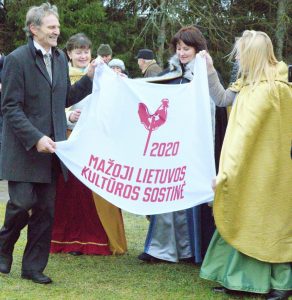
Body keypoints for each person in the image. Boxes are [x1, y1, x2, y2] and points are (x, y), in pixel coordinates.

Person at [0, 3, 95, 284]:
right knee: (21, 203)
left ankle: (32, 268)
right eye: (51, 27)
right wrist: (35, 137)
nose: (57, 31)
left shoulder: (57, 59)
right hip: (24, 149)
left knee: (45, 212)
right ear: (34, 29)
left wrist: (89, 78)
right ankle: (3, 247)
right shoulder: (17, 60)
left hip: (53, 151)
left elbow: (64, 98)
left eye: (57, 26)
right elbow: (10, 108)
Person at [199, 30, 292, 300]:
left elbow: (245, 138)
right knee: (244, 216)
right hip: (251, 169)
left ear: (251, 54)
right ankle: (237, 278)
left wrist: (226, 175)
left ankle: (282, 283)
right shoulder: (249, 84)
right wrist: (209, 70)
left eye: (240, 52)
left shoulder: (270, 90)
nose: (236, 56)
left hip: (266, 171)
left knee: (268, 222)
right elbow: (223, 99)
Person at [138, 25, 227, 264]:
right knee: (167, 196)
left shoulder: (208, 78)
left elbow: (218, 112)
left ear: (198, 49)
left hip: (198, 149)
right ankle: (161, 248)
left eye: (186, 48)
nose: (182, 53)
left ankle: (193, 249)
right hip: (170, 149)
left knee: (193, 197)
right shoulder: (168, 77)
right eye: (178, 48)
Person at [51, 33, 127, 256]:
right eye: (78, 51)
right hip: (68, 139)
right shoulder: (60, 74)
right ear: (69, 54)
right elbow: (53, 103)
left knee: (93, 191)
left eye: (86, 51)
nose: (82, 55)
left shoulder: (102, 76)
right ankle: (66, 240)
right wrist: (67, 115)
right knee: (68, 193)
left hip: (93, 141)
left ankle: (94, 240)